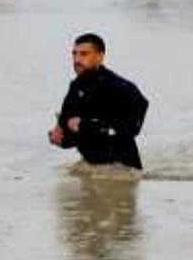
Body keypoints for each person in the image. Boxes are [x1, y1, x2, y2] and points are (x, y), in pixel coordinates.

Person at [49, 33, 149, 170]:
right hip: (90, 166)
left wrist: (85, 125)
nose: (77, 59)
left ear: (100, 56)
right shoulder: (76, 86)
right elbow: (71, 131)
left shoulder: (122, 88)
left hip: (122, 170)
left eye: (84, 54)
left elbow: (131, 129)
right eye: (74, 54)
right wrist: (59, 137)